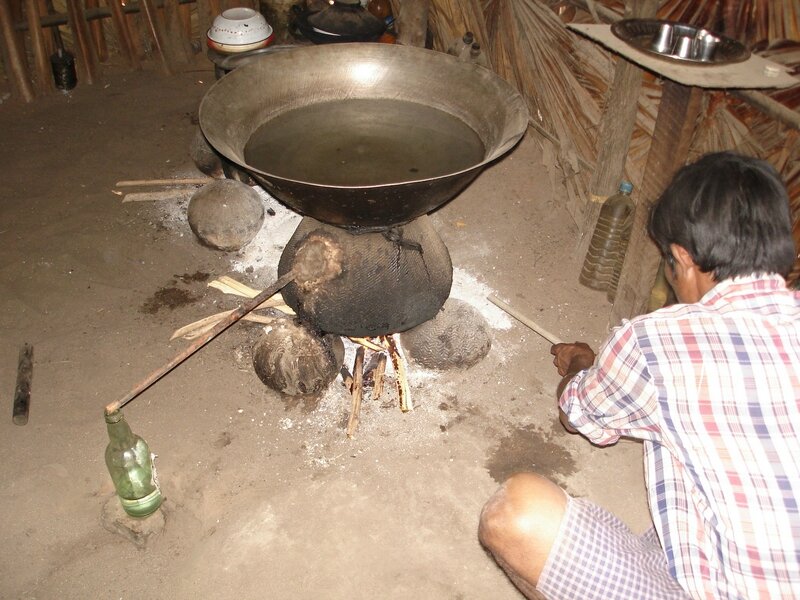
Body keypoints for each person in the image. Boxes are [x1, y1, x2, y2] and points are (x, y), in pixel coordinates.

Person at [478, 151, 800, 599]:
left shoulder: (658, 341)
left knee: (516, 513)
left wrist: (580, 363)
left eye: (668, 262)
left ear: (684, 258)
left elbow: (576, 414)